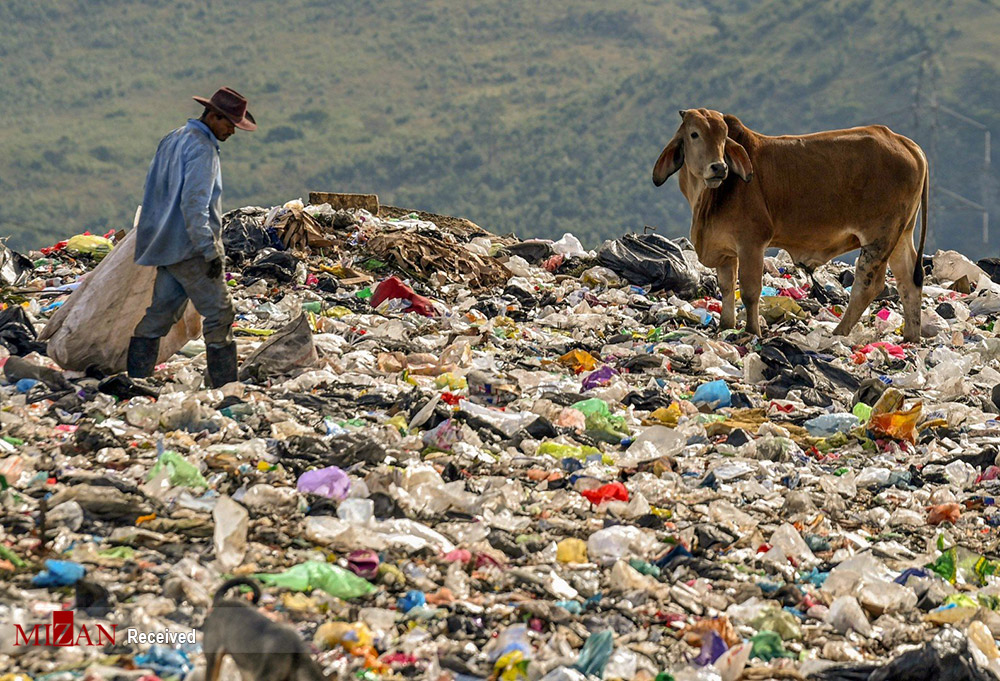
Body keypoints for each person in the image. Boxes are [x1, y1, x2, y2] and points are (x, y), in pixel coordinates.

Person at [127, 87, 256, 387]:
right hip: (191, 249)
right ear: (213, 116)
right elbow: (194, 205)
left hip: (165, 244)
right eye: (228, 124)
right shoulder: (202, 149)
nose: (232, 132)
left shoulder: (174, 138)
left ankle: (136, 380)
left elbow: (157, 191)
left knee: (160, 314)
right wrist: (209, 252)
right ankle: (225, 389)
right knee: (220, 313)